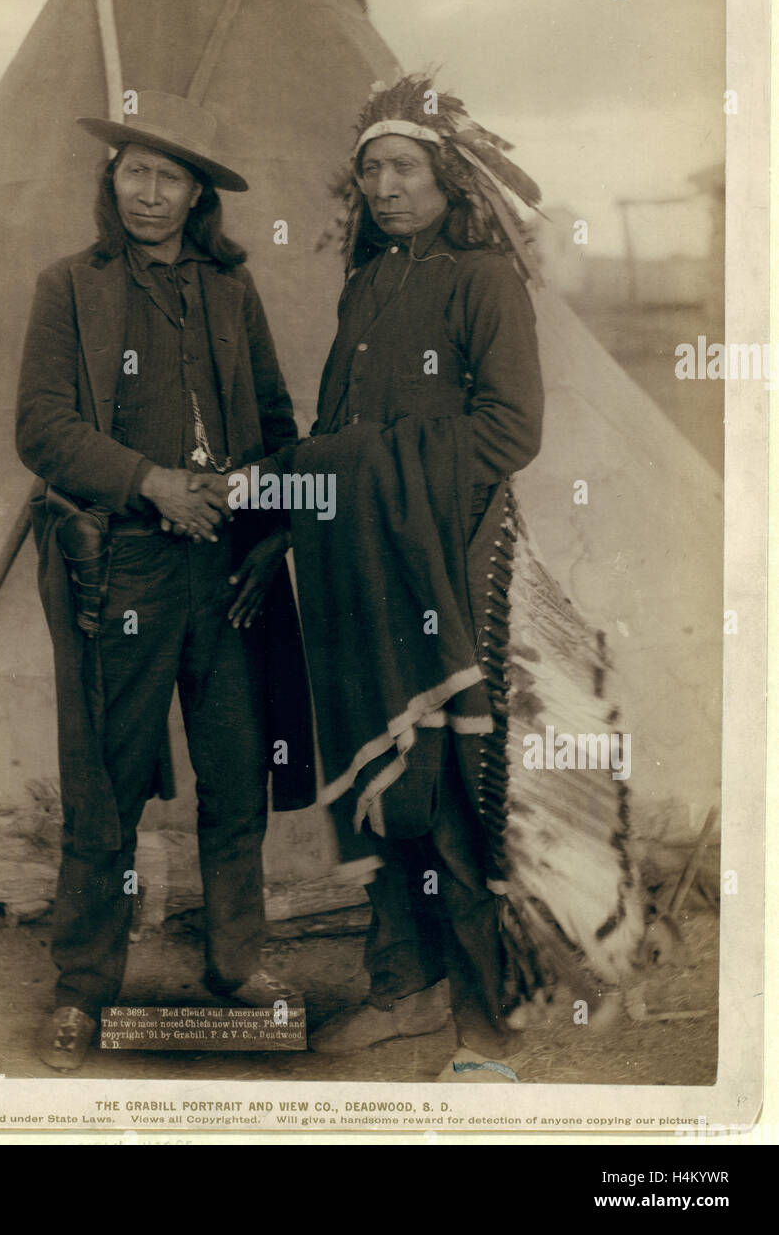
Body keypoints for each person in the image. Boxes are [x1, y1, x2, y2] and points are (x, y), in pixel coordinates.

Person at [16, 91, 313, 1072]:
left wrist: (268, 539)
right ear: (113, 180)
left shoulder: (232, 292)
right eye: (134, 171)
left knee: (236, 781)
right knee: (105, 786)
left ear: (196, 196)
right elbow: (43, 429)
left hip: (225, 577)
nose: (149, 192)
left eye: (169, 177)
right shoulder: (69, 288)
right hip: (126, 569)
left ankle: (237, 962)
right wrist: (151, 483)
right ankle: (83, 988)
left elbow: (276, 428)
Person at [258, 75, 546, 1076]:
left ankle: (483, 1018)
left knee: (444, 782)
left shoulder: (482, 278)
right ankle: (401, 986)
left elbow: (510, 428)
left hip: (443, 559)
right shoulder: (369, 283)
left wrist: (357, 466)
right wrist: (311, 490)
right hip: (356, 563)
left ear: (447, 179)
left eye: (403, 168)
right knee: (373, 780)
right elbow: (338, 429)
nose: (383, 186)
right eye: (369, 169)